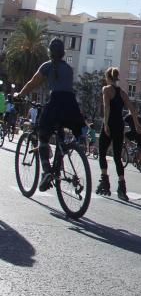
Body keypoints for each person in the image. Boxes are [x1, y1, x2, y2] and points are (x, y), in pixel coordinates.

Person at [13, 38, 85, 191]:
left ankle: (47, 172)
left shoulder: (47, 66)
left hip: (56, 102)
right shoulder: (68, 68)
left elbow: (33, 83)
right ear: (63, 53)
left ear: (50, 52)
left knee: (43, 134)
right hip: (71, 105)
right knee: (61, 132)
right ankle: (60, 155)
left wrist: (19, 94)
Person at [97, 67, 141, 200]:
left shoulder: (106, 89)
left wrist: (105, 124)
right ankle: (122, 188)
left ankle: (105, 182)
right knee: (117, 157)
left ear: (107, 77)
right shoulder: (122, 93)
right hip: (119, 126)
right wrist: (137, 124)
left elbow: (107, 107)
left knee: (102, 153)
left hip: (109, 124)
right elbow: (132, 109)